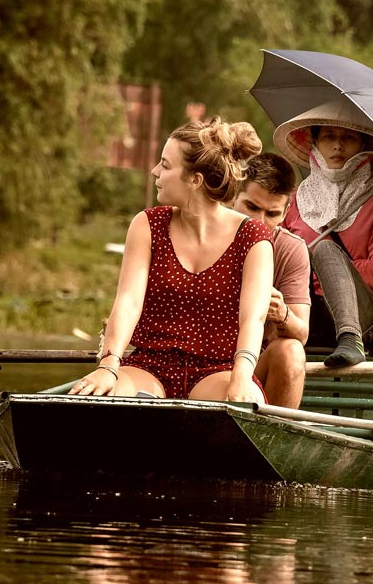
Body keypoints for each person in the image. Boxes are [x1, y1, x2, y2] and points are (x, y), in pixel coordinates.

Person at [69, 116, 273, 402]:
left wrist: (240, 378)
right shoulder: (147, 224)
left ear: (195, 179)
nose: (154, 171)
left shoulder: (253, 236)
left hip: (220, 370)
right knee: (100, 396)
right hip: (150, 367)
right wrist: (109, 365)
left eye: (165, 165)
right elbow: (128, 302)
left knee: (244, 401)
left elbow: (253, 318)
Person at [275, 101, 373, 368]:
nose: (337, 146)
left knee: (323, 251)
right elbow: (280, 263)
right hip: (305, 310)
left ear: (363, 145)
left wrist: (326, 273)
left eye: (348, 138)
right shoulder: (295, 197)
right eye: (329, 137)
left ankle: (350, 339)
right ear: (315, 143)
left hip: (365, 316)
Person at [230, 152, 310, 408]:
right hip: (206, 360)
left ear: (286, 211)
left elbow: (302, 332)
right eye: (251, 207)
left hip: (257, 368)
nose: (259, 222)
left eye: (272, 213)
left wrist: (282, 312)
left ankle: (275, 442)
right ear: (233, 197)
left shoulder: (290, 249)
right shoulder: (209, 234)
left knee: (292, 351)